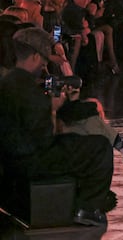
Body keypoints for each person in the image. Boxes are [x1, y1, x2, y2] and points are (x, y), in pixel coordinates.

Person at [0, 27, 113, 226]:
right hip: (29, 161)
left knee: (76, 141)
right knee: (100, 147)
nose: (45, 64)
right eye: (43, 59)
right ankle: (87, 208)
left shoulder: (9, 81)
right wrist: (52, 109)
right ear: (35, 56)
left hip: (13, 157)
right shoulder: (28, 89)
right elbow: (44, 137)